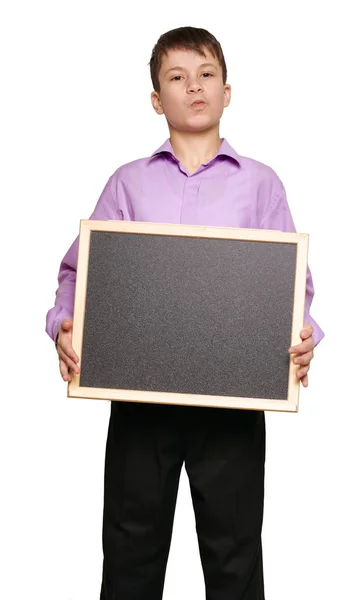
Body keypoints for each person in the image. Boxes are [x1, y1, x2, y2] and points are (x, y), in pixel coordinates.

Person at [46, 26, 324, 600]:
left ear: (227, 91)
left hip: (233, 401)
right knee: (129, 558)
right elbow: (81, 270)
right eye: (176, 77)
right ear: (156, 99)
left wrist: (301, 337)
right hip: (140, 400)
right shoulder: (127, 183)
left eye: (206, 75)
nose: (193, 87)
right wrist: (65, 324)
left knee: (235, 559)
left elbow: (293, 284)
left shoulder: (261, 186)